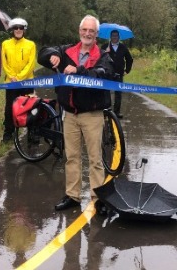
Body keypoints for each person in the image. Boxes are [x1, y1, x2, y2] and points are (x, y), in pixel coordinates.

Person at [37, 15, 114, 211]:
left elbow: (102, 73)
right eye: (84, 30)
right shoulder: (66, 51)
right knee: (71, 157)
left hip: (92, 115)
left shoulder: (103, 56)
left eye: (91, 31)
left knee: (95, 159)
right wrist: (51, 56)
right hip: (69, 114)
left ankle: (98, 199)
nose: (87, 34)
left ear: (96, 34)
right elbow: (43, 53)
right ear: (79, 31)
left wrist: (79, 70)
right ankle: (73, 196)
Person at [1, 18, 36, 143]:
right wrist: (12, 76)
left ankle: (31, 133)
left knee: (29, 107)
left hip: (27, 82)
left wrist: (20, 77)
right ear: (12, 30)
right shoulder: (5, 44)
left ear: (24, 30)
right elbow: (4, 62)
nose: (18, 30)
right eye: (15, 27)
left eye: (21, 28)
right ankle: (8, 132)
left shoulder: (31, 44)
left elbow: (31, 64)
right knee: (9, 108)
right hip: (11, 82)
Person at [100, 29, 133, 118]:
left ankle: (116, 112)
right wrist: (105, 52)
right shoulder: (104, 46)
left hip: (119, 74)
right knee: (106, 93)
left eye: (116, 36)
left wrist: (127, 70)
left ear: (119, 37)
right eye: (113, 36)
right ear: (110, 37)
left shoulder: (123, 47)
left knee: (118, 93)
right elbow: (99, 58)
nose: (115, 37)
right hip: (107, 74)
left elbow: (129, 59)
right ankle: (106, 111)